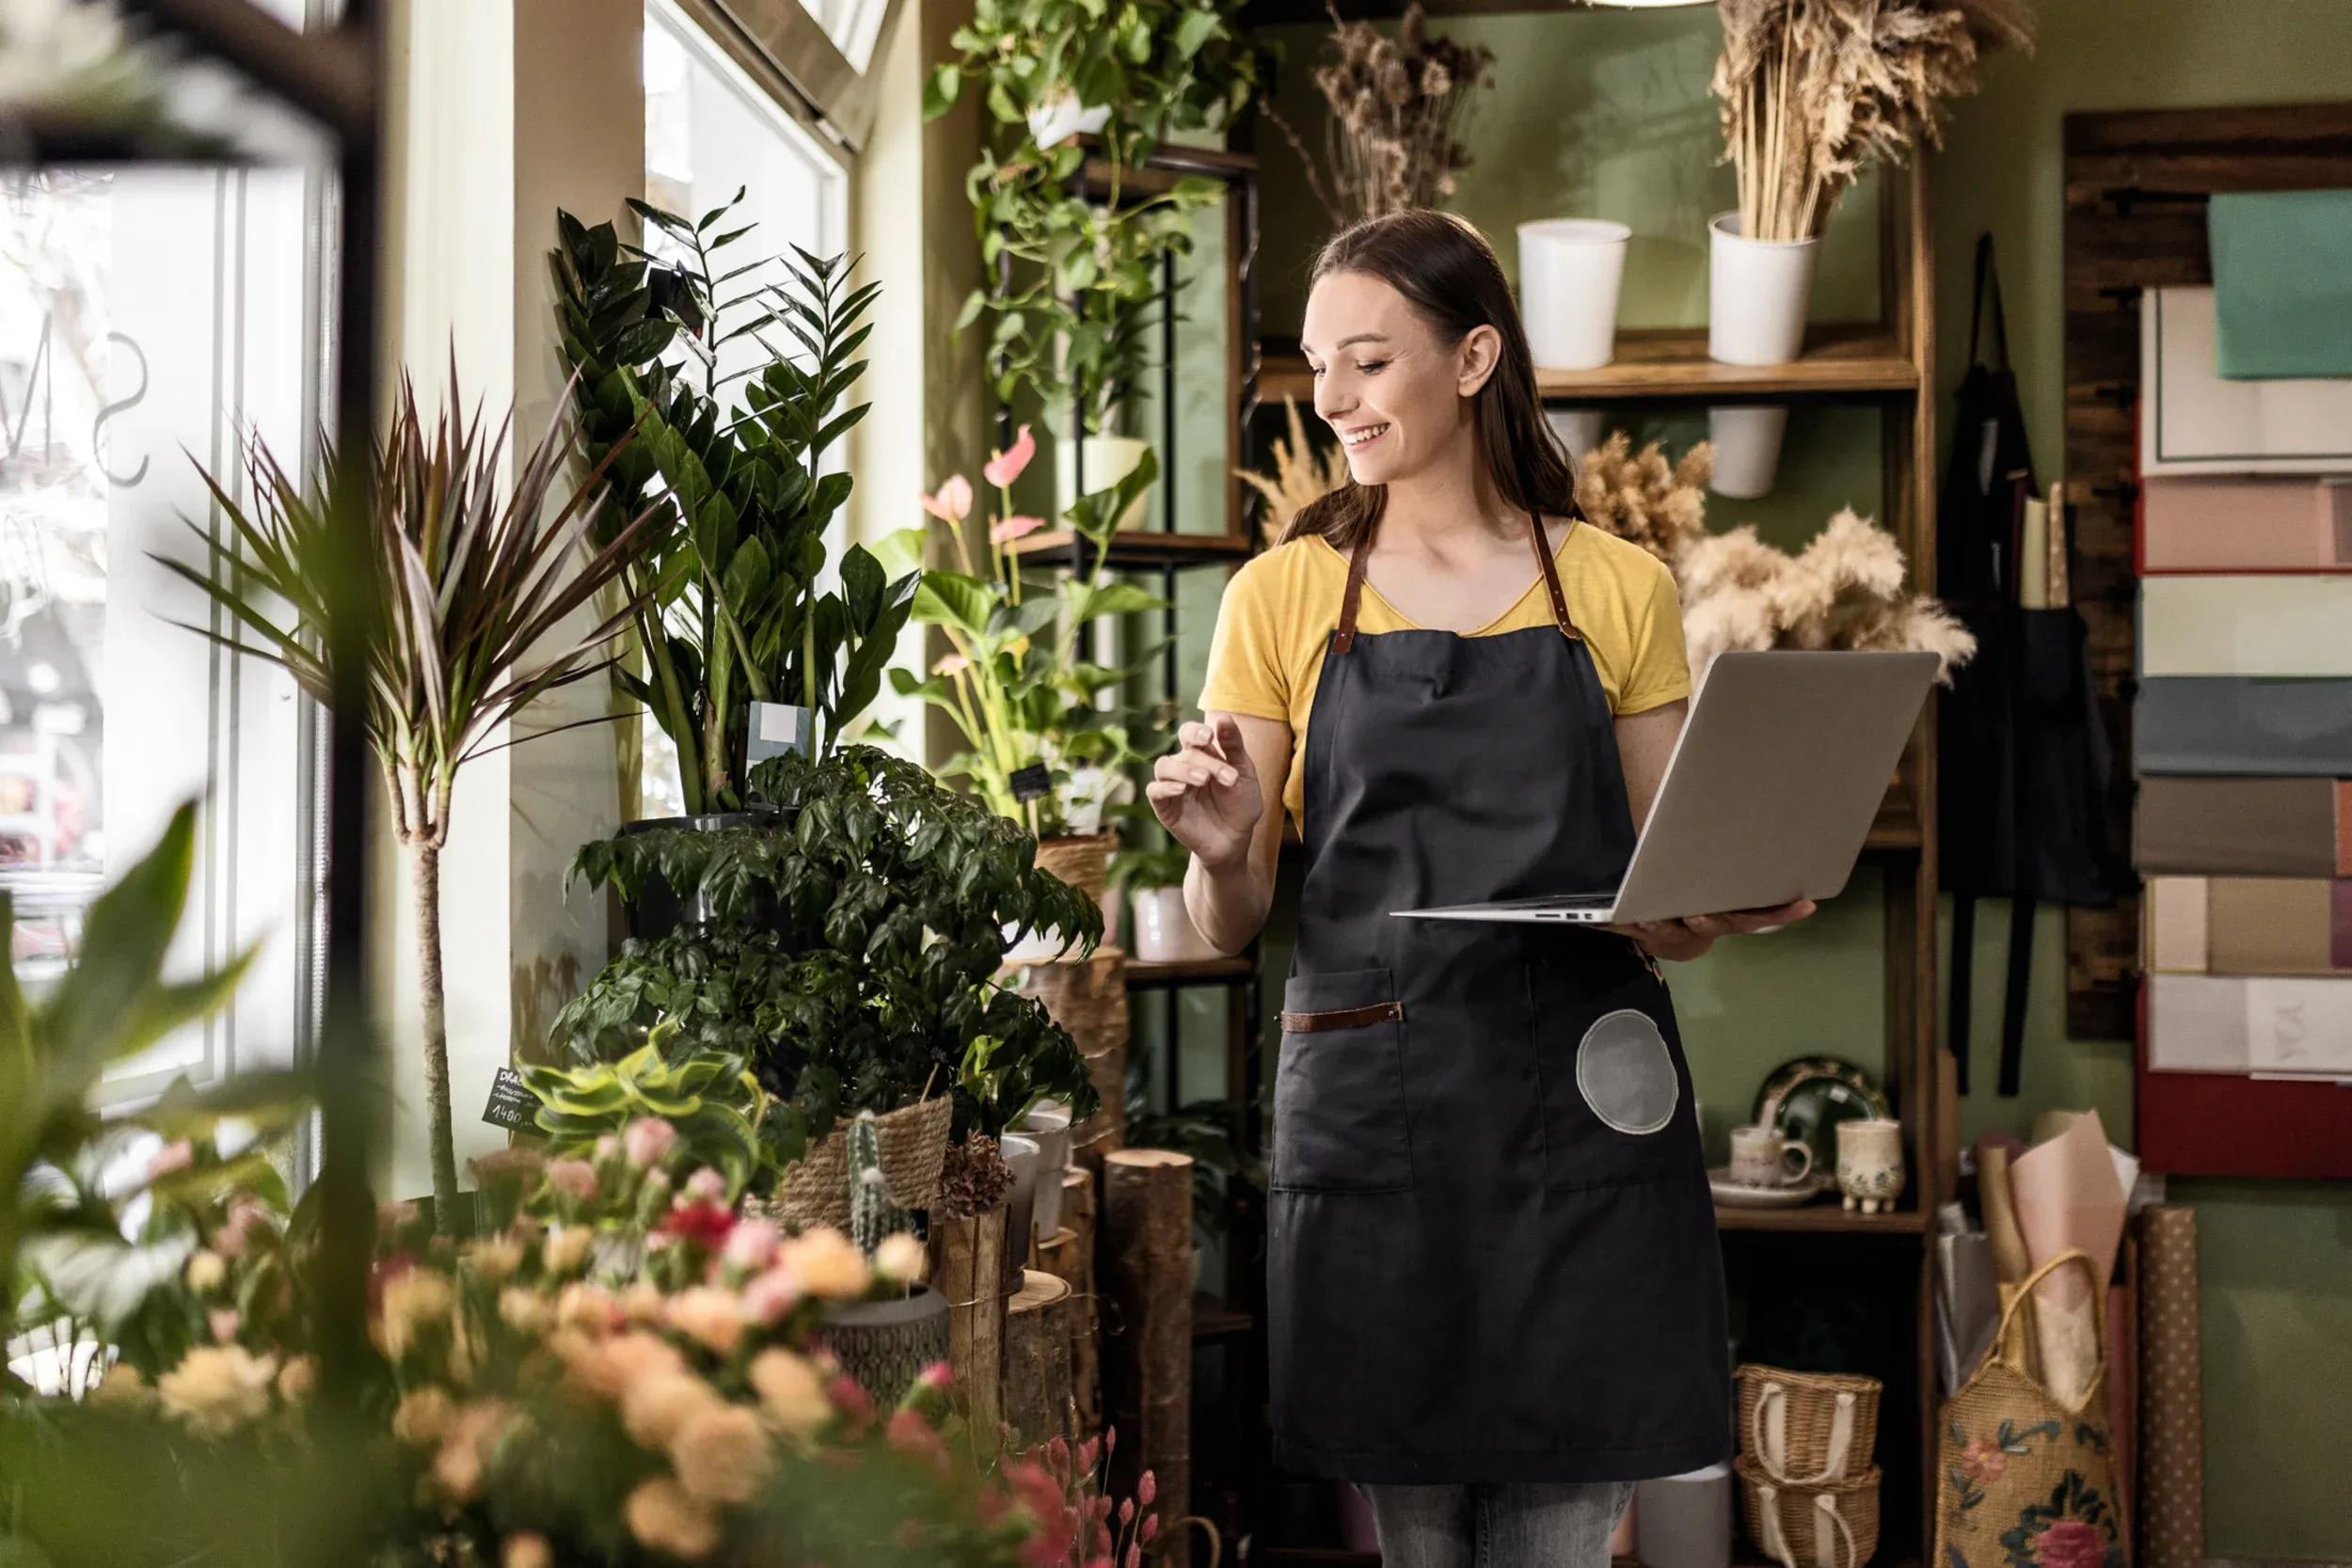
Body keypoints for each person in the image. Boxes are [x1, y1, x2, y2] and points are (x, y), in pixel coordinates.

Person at [1149, 210, 1816, 1568]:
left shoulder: (1618, 588)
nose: (1330, 397)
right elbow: (1234, 916)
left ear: (1472, 361)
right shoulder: (1279, 599)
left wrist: (1733, 894)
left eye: (1368, 361)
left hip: (1582, 1111)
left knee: (1560, 1540)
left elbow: (1662, 912)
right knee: (1419, 1538)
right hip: (1376, 1111)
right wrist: (1221, 851)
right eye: (1315, 363)